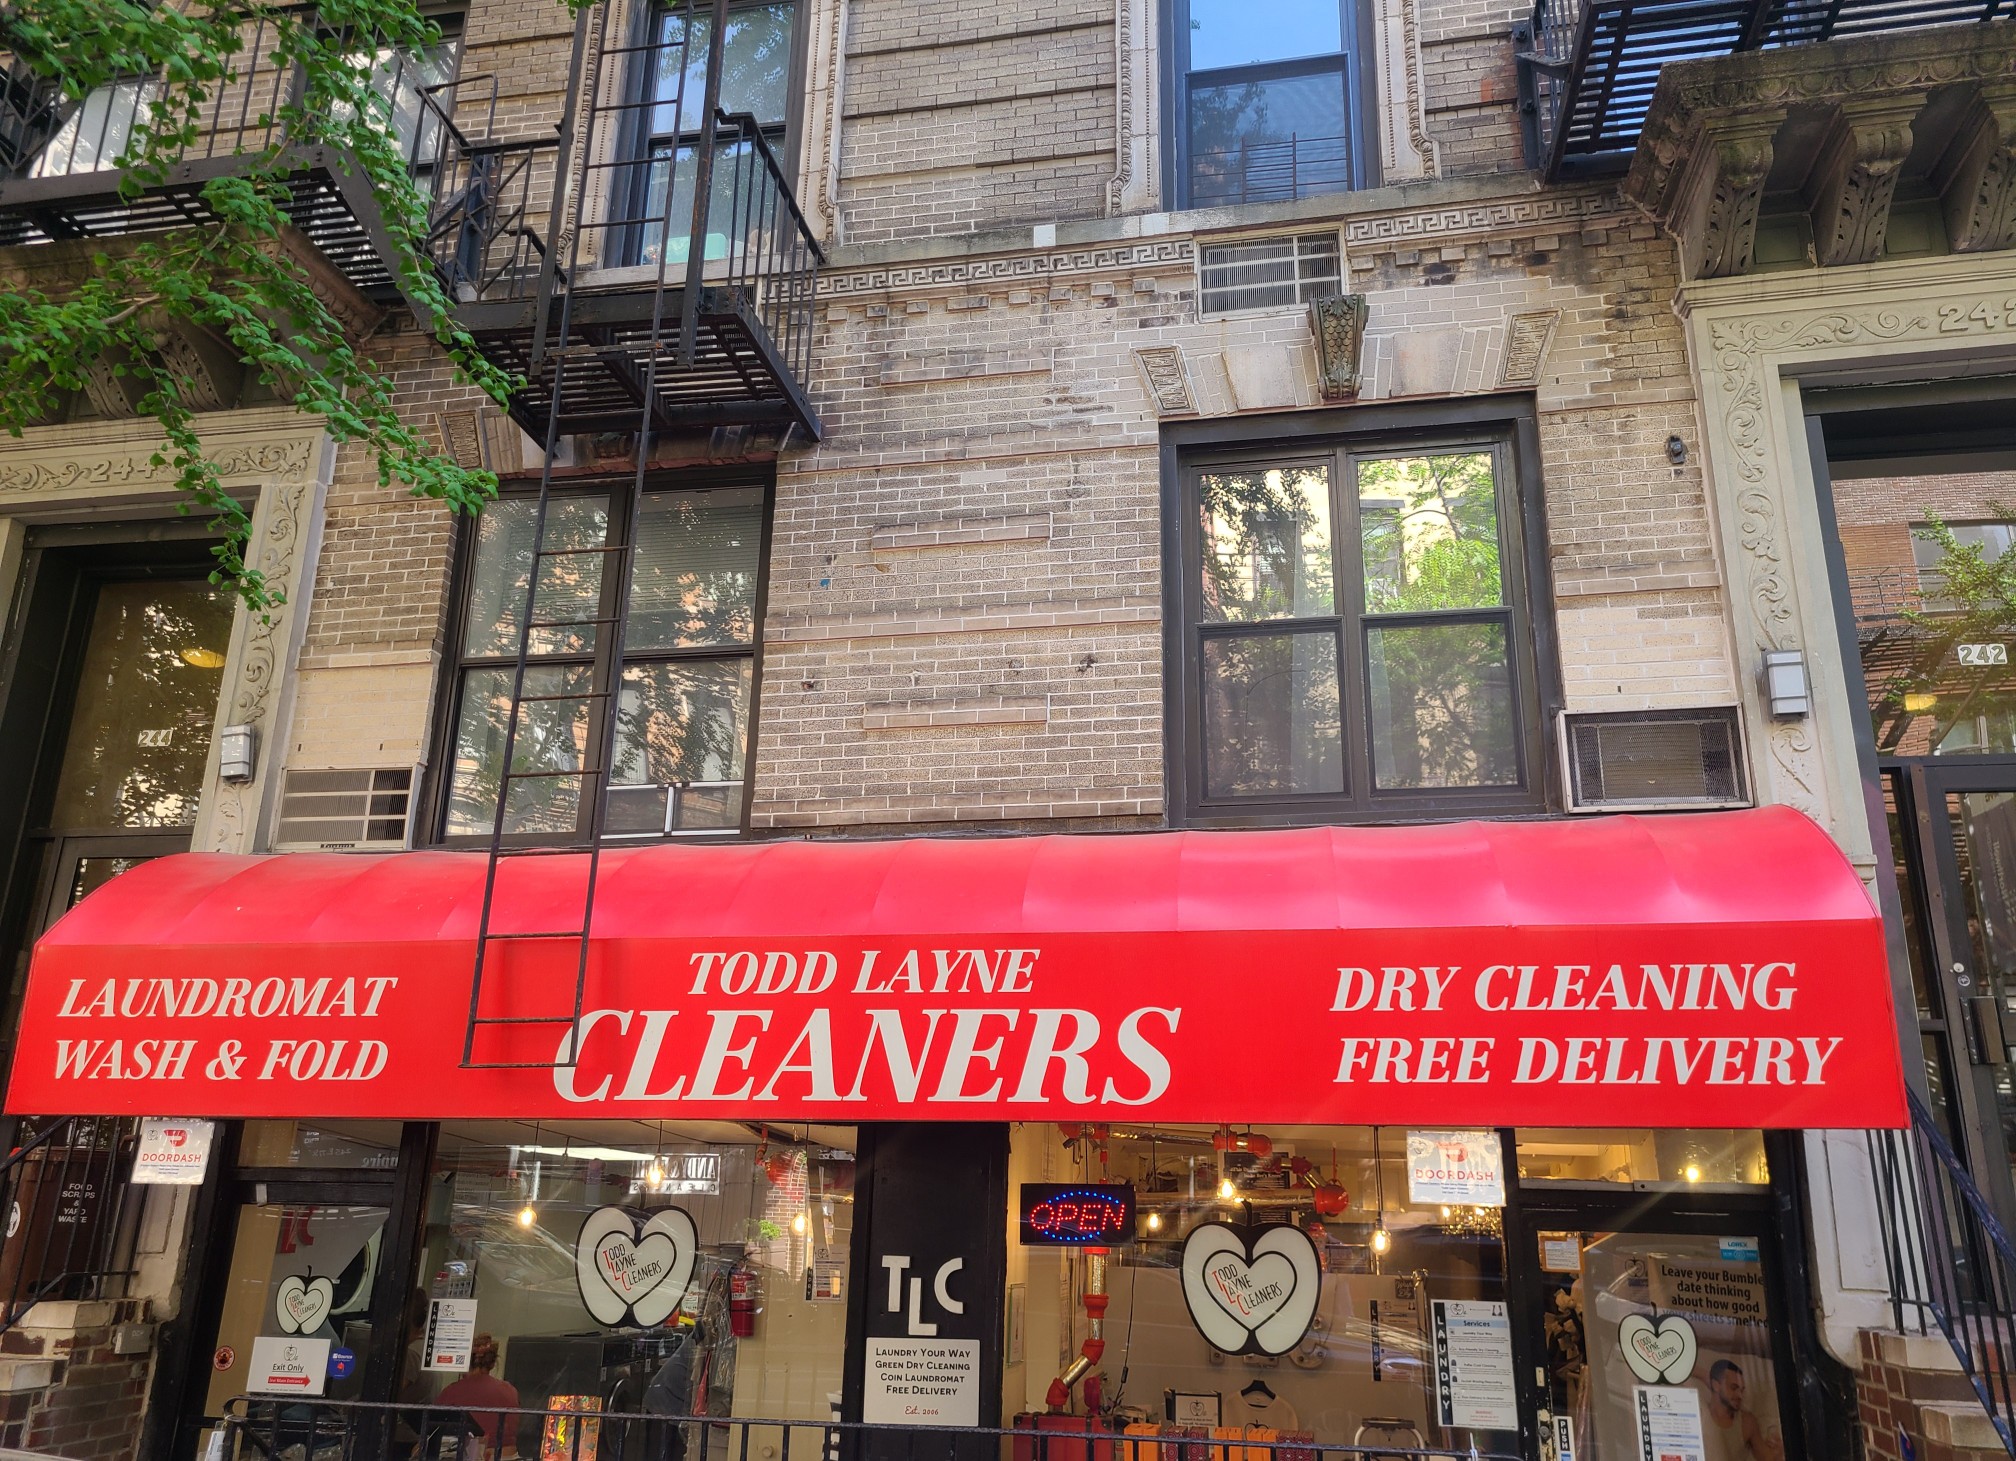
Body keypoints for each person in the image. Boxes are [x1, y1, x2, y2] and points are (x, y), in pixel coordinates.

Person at [434, 1333, 519, 1460]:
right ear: (491, 1363)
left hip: (476, 1456)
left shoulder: (452, 1391)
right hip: (510, 1456)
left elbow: (432, 1431)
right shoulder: (510, 1390)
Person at [1703, 1359, 1784, 1461]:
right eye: (1734, 1388)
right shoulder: (1700, 1414)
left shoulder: (1747, 1422)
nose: (1740, 1396)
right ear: (1716, 1385)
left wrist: (1779, 1452)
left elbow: (1766, 1458)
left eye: (1742, 1390)